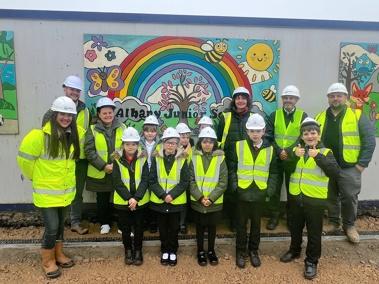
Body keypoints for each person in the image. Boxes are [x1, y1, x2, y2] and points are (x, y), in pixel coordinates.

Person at [18, 96, 85, 278]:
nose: (66, 118)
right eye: (62, 114)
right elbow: (25, 161)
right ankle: (48, 261)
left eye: (70, 115)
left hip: (64, 192)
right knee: (52, 226)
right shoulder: (39, 136)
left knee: (61, 226)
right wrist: (36, 178)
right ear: (55, 114)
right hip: (46, 193)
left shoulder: (74, 135)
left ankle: (58, 254)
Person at [280, 117, 340, 280]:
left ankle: (312, 261)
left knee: (314, 232)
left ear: (318, 135)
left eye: (313, 133)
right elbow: (286, 168)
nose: (309, 136)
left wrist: (318, 157)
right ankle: (294, 250)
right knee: (295, 227)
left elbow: (334, 172)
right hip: (296, 197)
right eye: (306, 133)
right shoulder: (297, 150)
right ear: (302, 136)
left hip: (315, 200)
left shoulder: (326, 152)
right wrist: (293, 157)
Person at [315, 83, 376, 243]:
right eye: (332, 96)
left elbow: (369, 141)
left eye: (339, 95)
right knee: (330, 195)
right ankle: (334, 222)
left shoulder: (357, 115)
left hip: (349, 166)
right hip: (327, 166)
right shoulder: (320, 117)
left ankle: (349, 226)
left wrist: (361, 164)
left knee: (349, 196)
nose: (335, 98)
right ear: (328, 98)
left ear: (345, 97)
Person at [227, 113, 278, 269]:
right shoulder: (238, 146)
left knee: (256, 225)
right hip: (242, 192)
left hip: (260, 193)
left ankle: (253, 251)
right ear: (247, 131)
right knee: (241, 225)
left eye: (258, 130)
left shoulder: (270, 150)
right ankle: (241, 252)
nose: (255, 134)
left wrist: (269, 190)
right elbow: (232, 169)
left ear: (263, 131)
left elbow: (274, 172)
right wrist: (235, 187)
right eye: (252, 130)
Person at [42, 76, 91, 235]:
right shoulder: (53, 111)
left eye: (77, 90)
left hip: (79, 158)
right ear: (65, 89)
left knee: (77, 192)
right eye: (72, 89)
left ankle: (75, 222)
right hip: (59, 160)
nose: (74, 93)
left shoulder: (86, 111)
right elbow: (46, 135)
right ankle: (56, 225)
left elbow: (88, 134)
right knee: (58, 190)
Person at [265, 85, 308, 230]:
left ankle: (291, 216)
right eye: (286, 98)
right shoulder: (274, 115)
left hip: (293, 158)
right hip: (276, 158)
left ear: (296, 99)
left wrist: (288, 152)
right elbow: (268, 136)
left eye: (291, 98)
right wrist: (278, 151)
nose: (288, 100)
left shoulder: (303, 116)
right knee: (275, 189)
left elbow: (304, 137)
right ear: (282, 99)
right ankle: (274, 215)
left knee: (292, 189)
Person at [85, 97, 126, 234]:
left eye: (110, 112)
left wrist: (116, 165)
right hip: (100, 171)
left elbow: (127, 148)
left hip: (118, 170)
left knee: (120, 196)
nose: (108, 115)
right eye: (105, 113)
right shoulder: (92, 129)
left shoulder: (123, 128)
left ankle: (122, 224)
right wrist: (104, 166)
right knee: (102, 198)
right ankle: (104, 223)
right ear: (99, 115)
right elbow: (89, 151)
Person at [149, 127, 189, 266]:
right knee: (163, 228)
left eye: (173, 143)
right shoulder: (156, 158)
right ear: (163, 143)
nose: (170, 145)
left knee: (174, 228)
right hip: (159, 201)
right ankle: (164, 250)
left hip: (175, 202)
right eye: (168, 142)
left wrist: (171, 195)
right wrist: (162, 195)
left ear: (177, 144)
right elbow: (152, 180)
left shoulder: (183, 159)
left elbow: (184, 181)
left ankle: (173, 251)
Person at [216, 86, 253, 232]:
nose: (241, 100)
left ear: (248, 100)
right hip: (230, 159)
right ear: (234, 100)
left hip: (249, 161)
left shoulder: (253, 118)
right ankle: (233, 220)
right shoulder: (225, 117)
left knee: (246, 190)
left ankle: (242, 220)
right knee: (232, 189)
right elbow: (219, 139)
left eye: (243, 98)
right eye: (238, 98)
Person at [189, 127, 227, 266]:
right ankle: (200, 251)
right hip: (198, 202)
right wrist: (200, 197)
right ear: (200, 142)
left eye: (210, 142)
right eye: (204, 141)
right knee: (199, 227)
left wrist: (211, 198)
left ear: (214, 144)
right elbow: (191, 180)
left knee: (212, 227)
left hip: (214, 203)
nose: (207, 144)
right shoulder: (193, 157)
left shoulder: (220, 158)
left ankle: (211, 251)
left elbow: (223, 182)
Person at [112, 127, 149, 266]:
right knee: (125, 228)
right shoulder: (117, 159)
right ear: (123, 145)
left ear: (137, 145)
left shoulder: (143, 159)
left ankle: (138, 250)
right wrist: (129, 198)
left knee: (139, 227)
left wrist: (136, 198)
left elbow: (145, 179)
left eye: (133, 144)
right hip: (123, 201)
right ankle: (128, 250)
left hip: (140, 200)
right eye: (127, 144)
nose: (131, 147)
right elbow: (117, 182)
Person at [139, 115, 161, 234]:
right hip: (142, 172)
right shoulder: (138, 142)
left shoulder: (161, 143)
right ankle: (144, 221)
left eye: (153, 131)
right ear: (143, 131)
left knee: (153, 197)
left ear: (156, 132)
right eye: (147, 131)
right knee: (143, 196)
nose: (150, 134)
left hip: (155, 173)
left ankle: (153, 222)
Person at [176, 122, 194, 234]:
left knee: (184, 202)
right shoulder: (172, 148)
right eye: (182, 137)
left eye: (187, 137)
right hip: (175, 179)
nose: (185, 139)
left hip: (186, 180)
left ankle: (182, 223)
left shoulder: (191, 149)